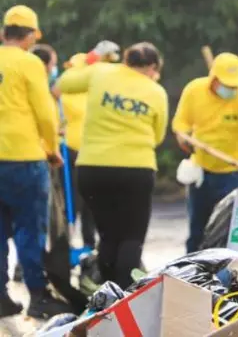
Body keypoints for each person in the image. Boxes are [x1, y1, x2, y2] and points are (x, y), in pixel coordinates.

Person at [55, 42, 167, 289]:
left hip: (93, 169)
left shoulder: (101, 72)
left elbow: (64, 83)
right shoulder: (155, 91)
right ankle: (124, 293)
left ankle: (105, 291)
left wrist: (91, 58)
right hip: (135, 170)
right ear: (152, 67)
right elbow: (158, 136)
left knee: (108, 235)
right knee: (131, 237)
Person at [0, 5, 69, 319]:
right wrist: (52, 148)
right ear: (29, 36)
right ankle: (38, 296)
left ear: (4, 33)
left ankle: (1, 297)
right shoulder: (29, 63)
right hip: (24, 158)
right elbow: (44, 111)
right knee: (30, 229)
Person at [172, 52, 238, 253]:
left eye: (235, 85)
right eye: (228, 85)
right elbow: (180, 121)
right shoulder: (194, 90)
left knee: (229, 228)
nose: (232, 89)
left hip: (233, 173)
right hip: (201, 170)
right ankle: (191, 270)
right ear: (214, 79)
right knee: (198, 228)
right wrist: (183, 136)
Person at [58, 53, 97, 250]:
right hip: (88, 152)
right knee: (88, 201)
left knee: (71, 202)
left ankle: (68, 245)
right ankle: (88, 243)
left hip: (73, 150)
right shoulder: (94, 90)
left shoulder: (65, 92)